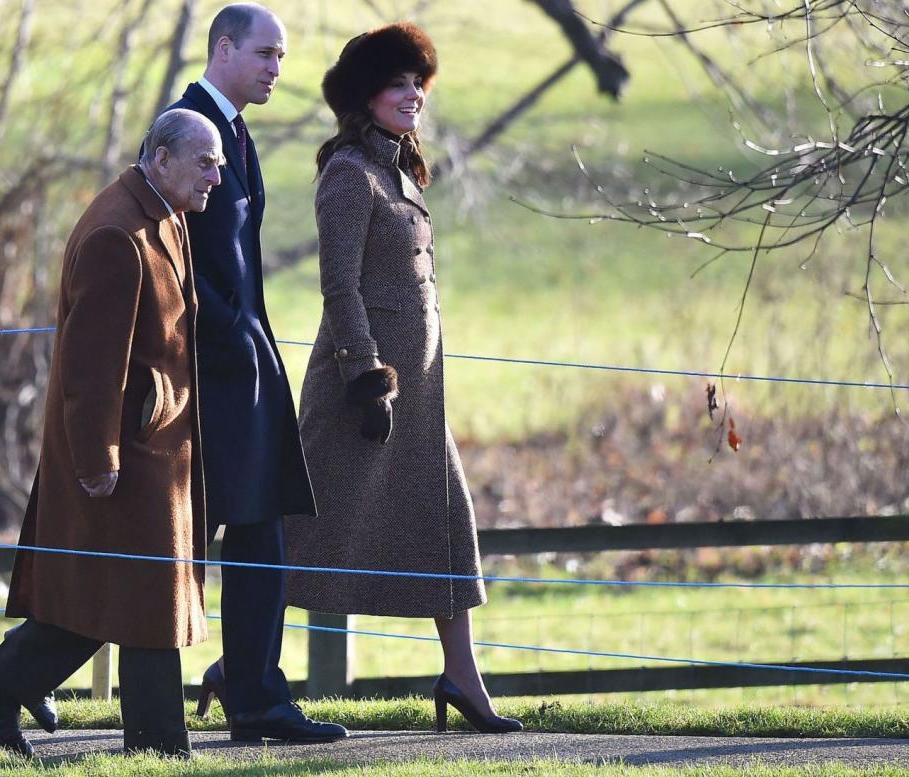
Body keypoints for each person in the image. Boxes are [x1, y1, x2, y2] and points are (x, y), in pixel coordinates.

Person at [0, 108, 222, 759]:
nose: (218, 175)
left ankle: (2, 678)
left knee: (126, 593)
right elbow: (89, 365)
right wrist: (98, 456)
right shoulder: (115, 234)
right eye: (205, 161)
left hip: (156, 446)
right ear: (160, 158)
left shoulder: (166, 214)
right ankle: (159, 748)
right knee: (143, 595)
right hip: (127, 451)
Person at [283, 22, 523, 735]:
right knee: (311, 536)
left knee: (450, 526)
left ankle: (461, 676)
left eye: (418, 82)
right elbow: (340, 289)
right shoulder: (349, 175)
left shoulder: (397, 171)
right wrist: (366, 379)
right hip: (363, 398)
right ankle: (242, 669)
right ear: (366, 96)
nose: (414, 93)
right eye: (398, 83)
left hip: (416, 402)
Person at [163, 3, 345, 744]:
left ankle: (256, 697)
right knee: (167, 541)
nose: (277, 69)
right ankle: (16, 671)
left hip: (244, 369)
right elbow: (173, 255)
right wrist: (228, 338)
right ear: (224, 47)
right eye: (266, 53)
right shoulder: (183, 132)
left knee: (260, 531)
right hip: (207, 376)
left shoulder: (234, 134)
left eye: (283, 56)